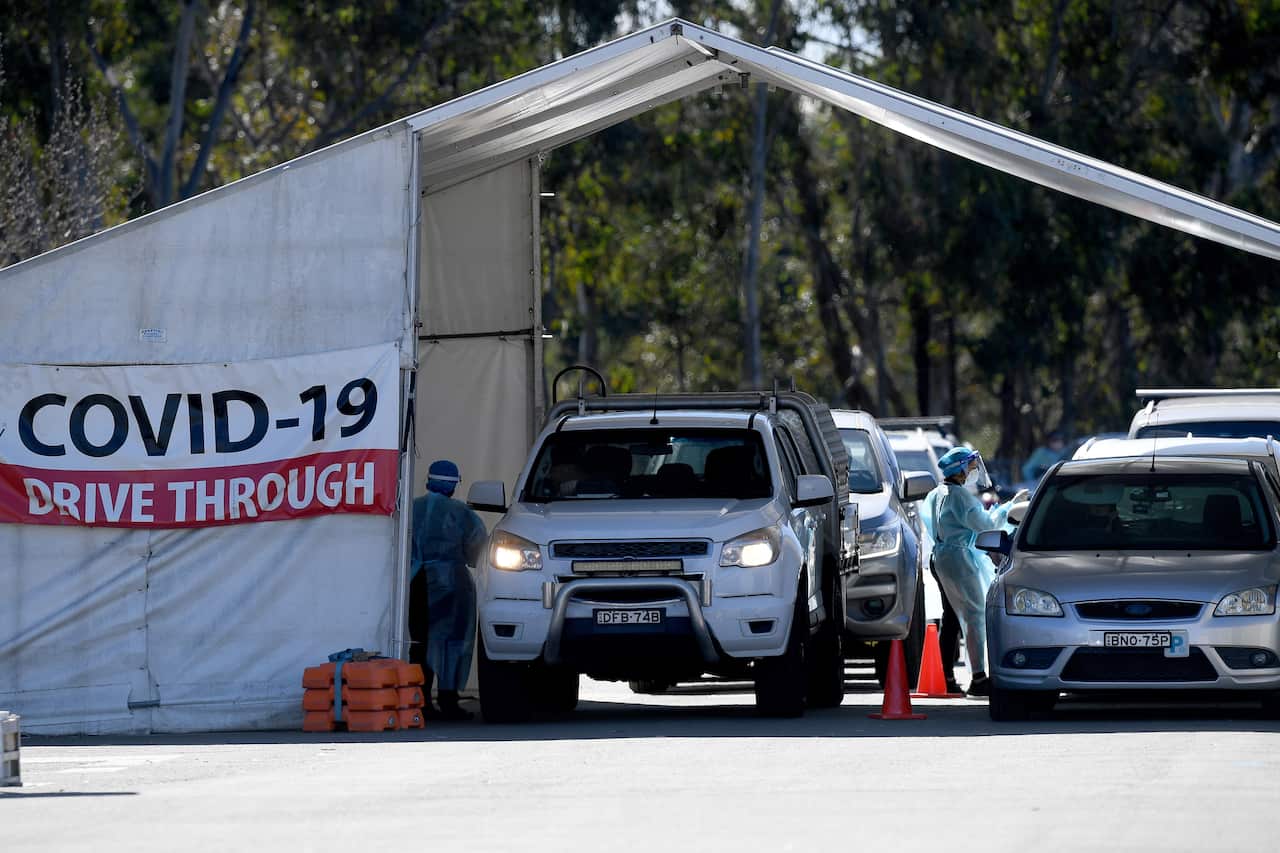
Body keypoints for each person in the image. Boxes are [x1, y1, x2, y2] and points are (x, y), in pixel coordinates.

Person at [922, 447, 1027, 697]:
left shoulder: (938, 493)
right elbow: (987, 526)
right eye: (969, 466)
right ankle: (979, 678)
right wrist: (1010, 506)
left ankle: (946, 676)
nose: (972, 471)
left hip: (942, 558)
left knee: (951, 617)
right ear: (958, 470)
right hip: (957, 560)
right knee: (975, 616)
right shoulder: (960, 496)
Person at [409, 460, 487, 720]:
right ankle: (448, 701)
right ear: (454, 484)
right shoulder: (463, 514)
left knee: (420, 642)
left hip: (416, 582)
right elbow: (478, 551)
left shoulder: (411, 509)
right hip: (452, 585)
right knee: (451, 643)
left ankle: (419, 702)